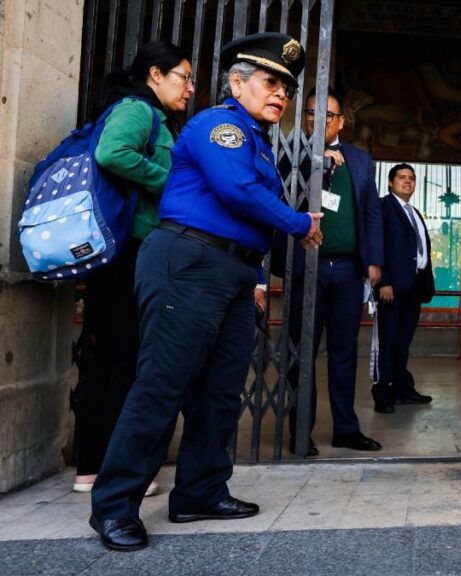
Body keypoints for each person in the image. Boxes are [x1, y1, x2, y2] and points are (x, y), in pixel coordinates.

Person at [89, 32, 324, 552]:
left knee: (219, 392)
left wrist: (258, 275)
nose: (281, 94)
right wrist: (299, 222)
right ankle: (114, 507)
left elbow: (247, 213)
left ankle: (199, 491)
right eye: (270, 81)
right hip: (189, 262)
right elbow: (236, 191)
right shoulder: (222, 127)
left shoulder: (256, 141)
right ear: (236, 83)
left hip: (233, 272)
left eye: (286, 86)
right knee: (160, 386)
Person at [72, 40, 194, 496]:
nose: (189, 87)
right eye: (183, 76)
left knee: (109, 359)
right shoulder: (138, 110)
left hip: (121, 252)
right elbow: (111, 153)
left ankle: (92, 467)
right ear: (155, 75)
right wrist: (172, 183)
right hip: (128, 251)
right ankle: (117, 470)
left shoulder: (146, 112)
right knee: (127, 362)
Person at [268, 86, 384, 453]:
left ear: (342, 122)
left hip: (348, 270)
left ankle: (346, 428)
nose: (319, 122)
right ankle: (300, 430)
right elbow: (278, 195)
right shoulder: (288, 155)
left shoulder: (361, 161)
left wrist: (375, 260)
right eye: (311, 114)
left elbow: (371, 213)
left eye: (327, 116)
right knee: (301, 350)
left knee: (344, 352)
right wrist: (314, 161)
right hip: (307, 266)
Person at [375, 164, 436, 412]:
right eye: (402, 177)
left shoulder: (415, 212)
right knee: (388, 341)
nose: (408, 181)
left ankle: (402, 389)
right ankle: (382, 394)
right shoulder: (383, 207)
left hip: (414, 286)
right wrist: (384, 280)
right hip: (392, 286)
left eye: (411, 178)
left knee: (403, 342)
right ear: (390, 183)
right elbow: (378, 244)